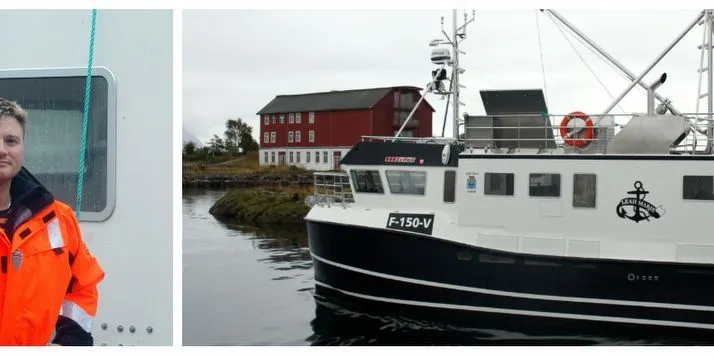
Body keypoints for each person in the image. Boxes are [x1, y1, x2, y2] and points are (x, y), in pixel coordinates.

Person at [0, 98, 105, 346]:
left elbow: (83, 285)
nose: (2, 149)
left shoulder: (60, 219)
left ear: (22, 147)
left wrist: (72, 341)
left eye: (11, 141)